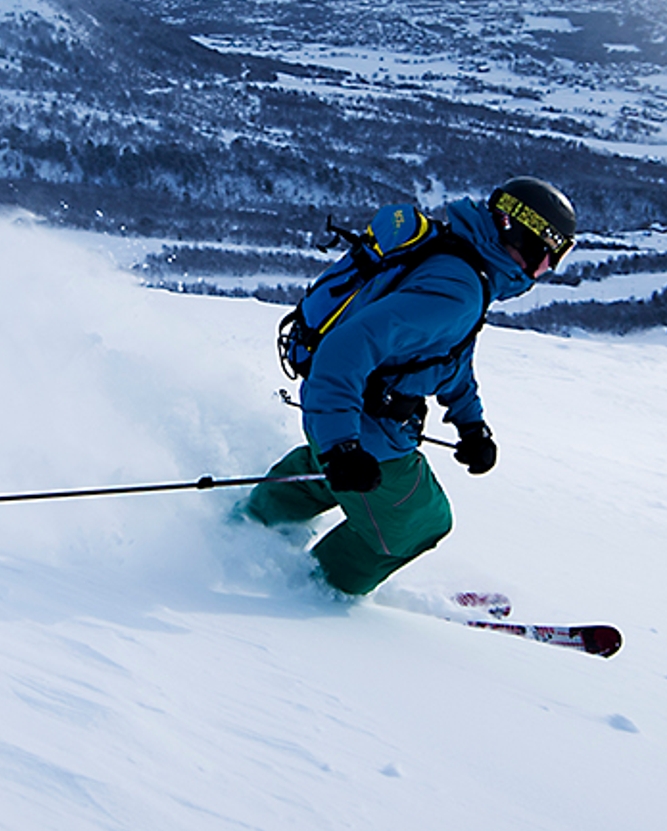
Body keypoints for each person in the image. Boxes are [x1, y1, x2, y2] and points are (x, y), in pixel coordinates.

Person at [243, 177, 576, 596]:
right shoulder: (458, 292)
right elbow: (345, 350)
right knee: (419, 522)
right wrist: (343, 446)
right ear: (522, 240)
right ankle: (310, 592)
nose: (544, 272)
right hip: (359, 421)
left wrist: (471, 425)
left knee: (326, 471)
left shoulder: (457, 255)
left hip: (341, 411)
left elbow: (446, 357)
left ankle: (247, 527)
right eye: (548, 260)